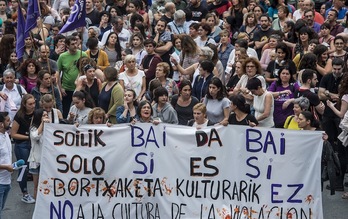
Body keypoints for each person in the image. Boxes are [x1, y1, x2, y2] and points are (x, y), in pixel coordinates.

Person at [11, 94, 36, 204]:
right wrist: (28, 137)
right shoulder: (19, 116)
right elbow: (13, 134)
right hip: (22, 145)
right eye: (30, 104)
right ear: (24, 105)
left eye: (34, 103)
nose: (33, 106)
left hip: (34, 145)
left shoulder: (37, 114)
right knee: (23, 169)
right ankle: (24, 193)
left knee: (35, 169)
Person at [57, 36, 87, 118]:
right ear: (67, 46)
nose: (75, 46)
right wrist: (60, 88)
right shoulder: (62, 57)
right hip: (67, 89)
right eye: (72, 44)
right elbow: (58, 74)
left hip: (81, 88)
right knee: (67, 112)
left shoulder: (83, 54)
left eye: (76, 43)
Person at [27, 109, 50, 200]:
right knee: (37, 186)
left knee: (46, 185)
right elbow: (35, 136)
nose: (46, 117)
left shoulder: (50, 128)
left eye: (46, 115)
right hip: (36, 161)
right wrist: (42, 124)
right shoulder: (33, 128)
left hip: (46, 161)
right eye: (43, 116)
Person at [0, 112, 12, 217]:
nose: (10, 122)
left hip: (7, 181)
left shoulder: (6, 135)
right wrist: (6, 167)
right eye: (7, 120)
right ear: (1, 124)